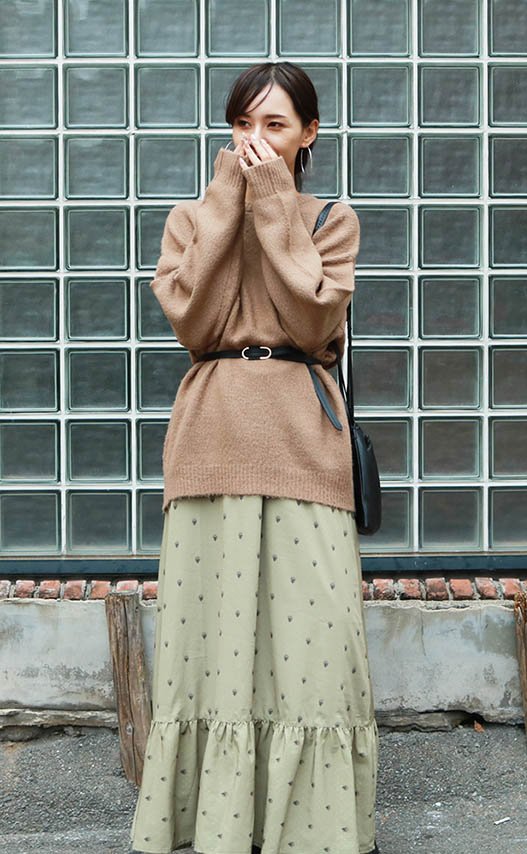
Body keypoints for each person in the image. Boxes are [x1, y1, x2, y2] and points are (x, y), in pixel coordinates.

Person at [129, 60, 379, 854]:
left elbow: (311, 322)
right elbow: (194, 321)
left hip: (304, 441)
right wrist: (227, 203)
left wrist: (271, 200)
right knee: (210, 644)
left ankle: (317, 827)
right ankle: (214, 824)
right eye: (243, 124)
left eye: (275, 125)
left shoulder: (331, 219)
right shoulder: (190, 219)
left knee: (316, 643)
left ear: (309, 134)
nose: (255, 140)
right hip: (211, 438)